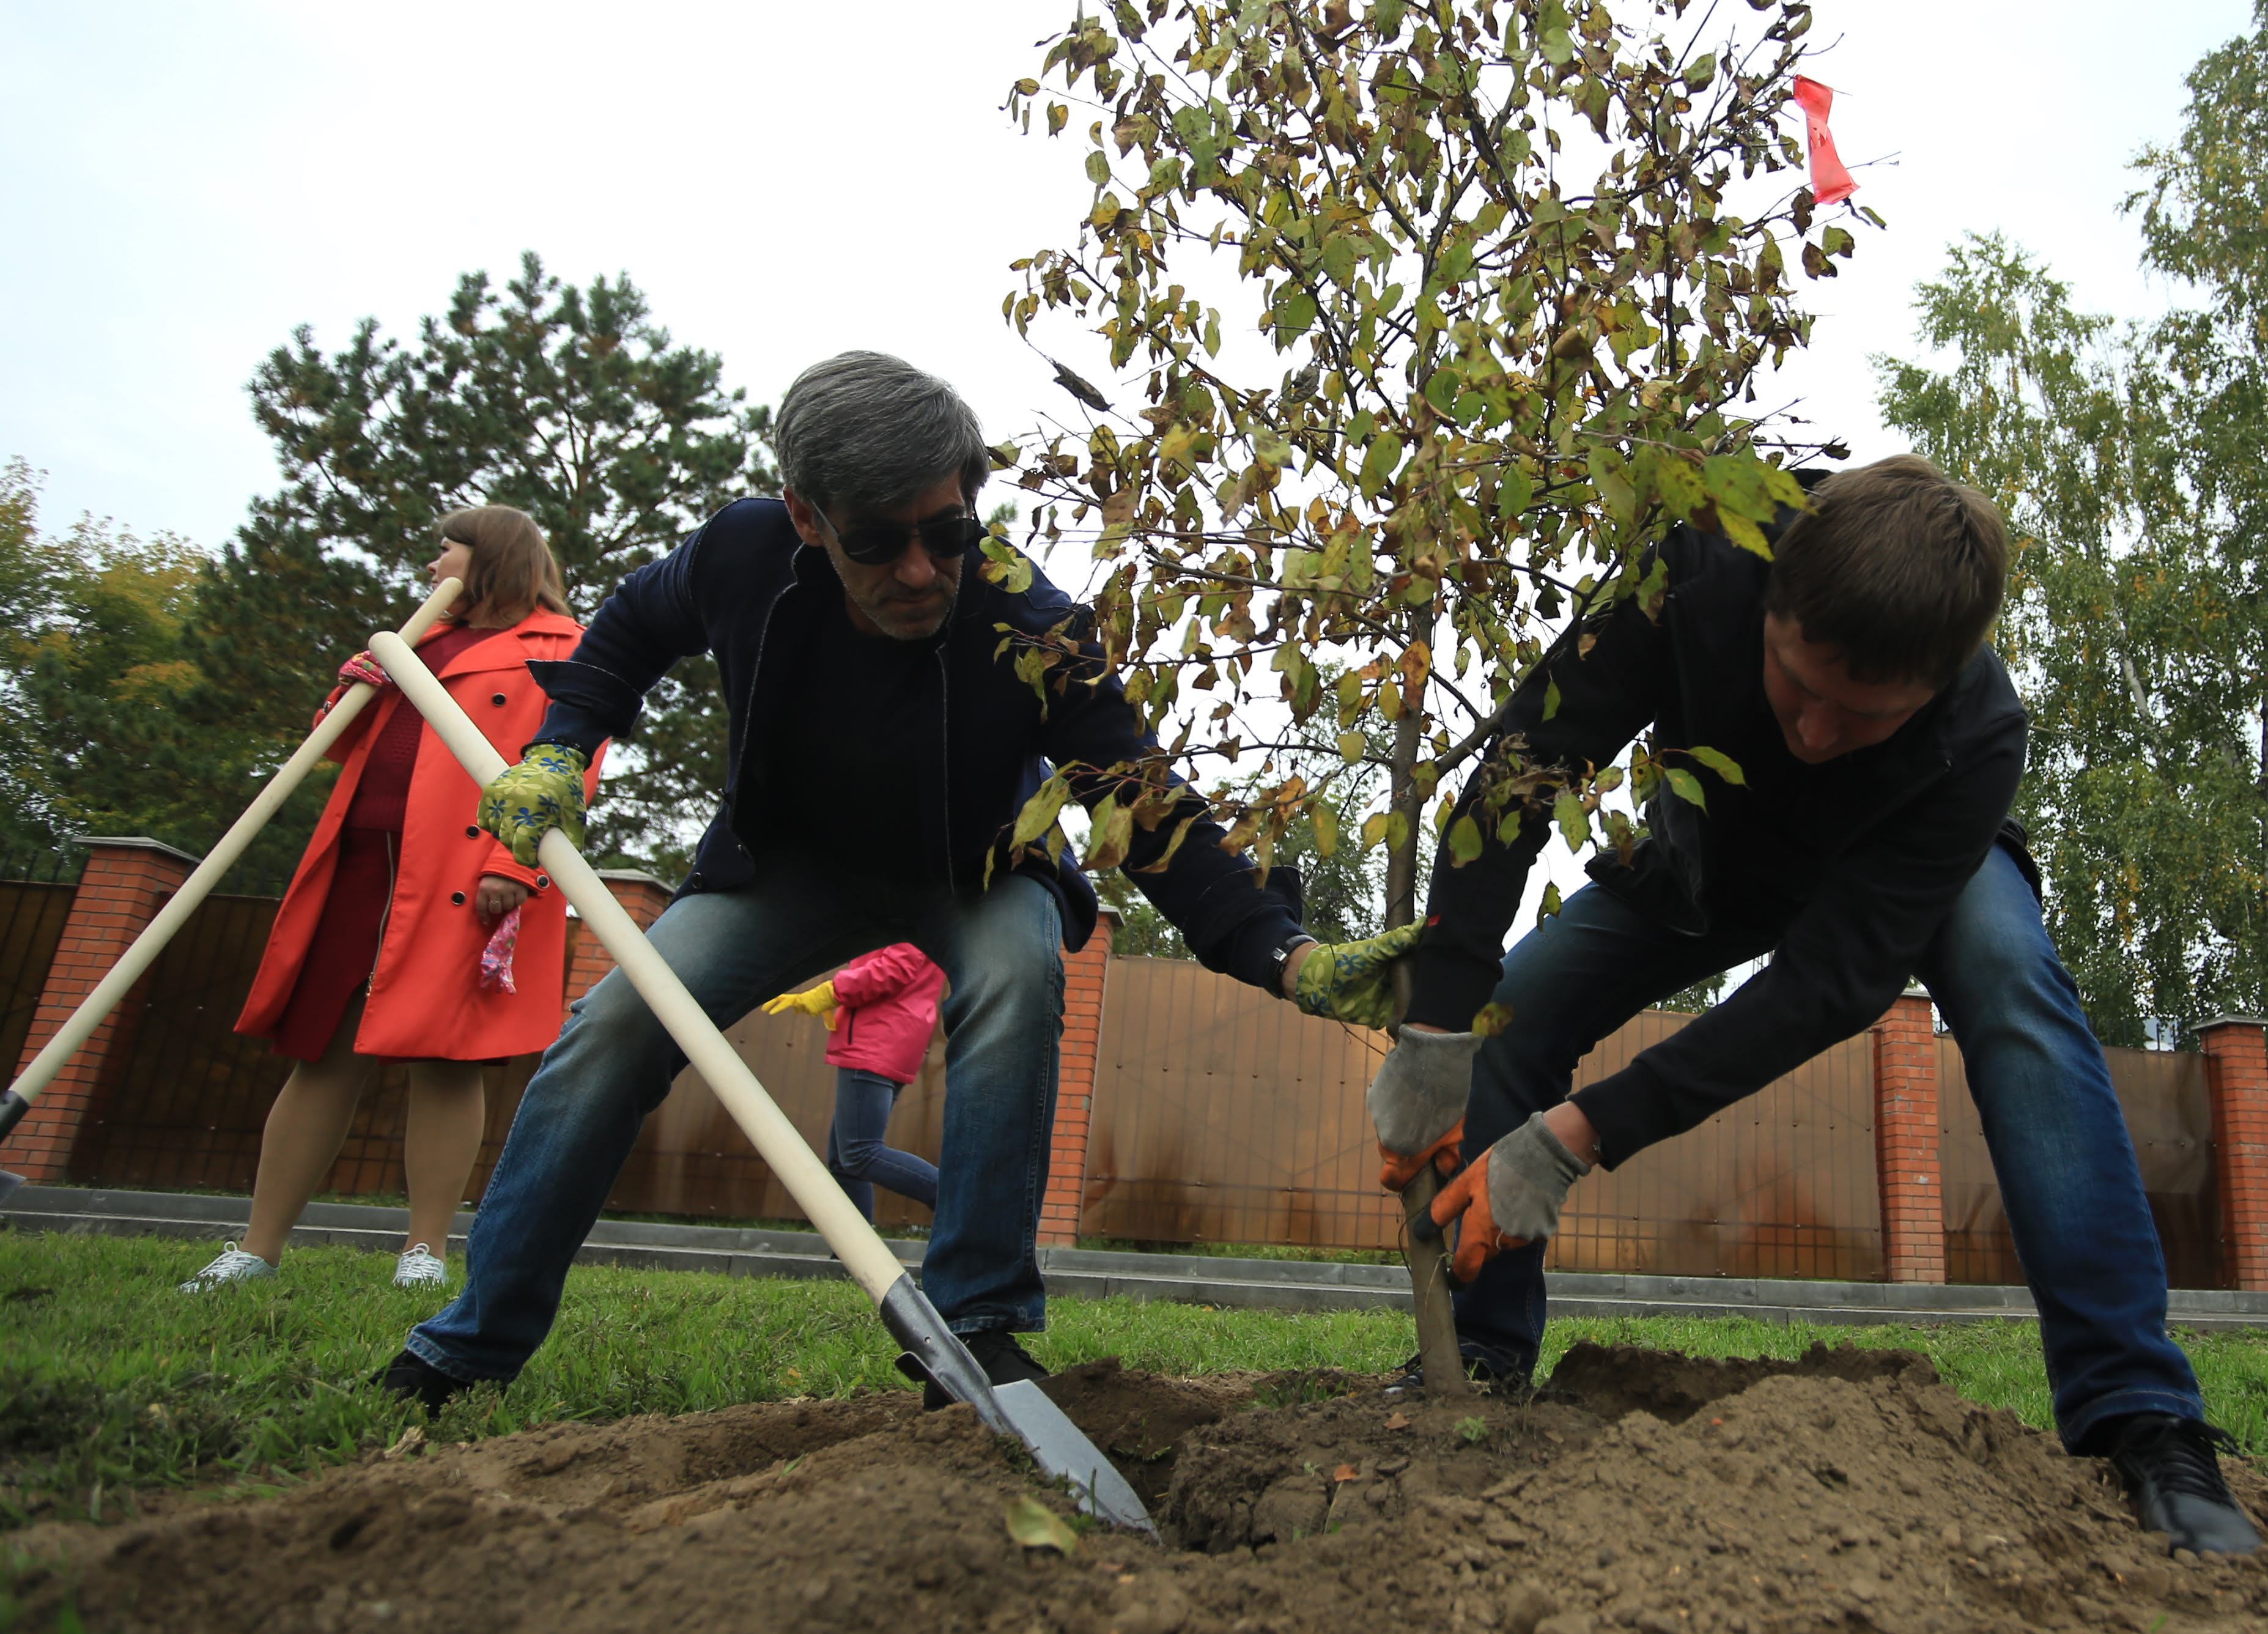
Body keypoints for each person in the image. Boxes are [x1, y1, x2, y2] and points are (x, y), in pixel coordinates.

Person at [380, 350, 1408, 1407]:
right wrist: (561, 747)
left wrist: (1283, 952)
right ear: (806, 517)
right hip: (785, 869)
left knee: (1017, 981)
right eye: (876, 541)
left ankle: (979, 1329)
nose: (920, 571)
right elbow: (630, 627)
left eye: (946, 532)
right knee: (612, 1031)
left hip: (976, 871)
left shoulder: (1028, 619)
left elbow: (1145, 810)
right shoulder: (742, 553)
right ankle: (471, 1343)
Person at [1368, 456, 2262, 1555]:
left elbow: (1829, 985)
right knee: (1517, 1009)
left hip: (1892, 873)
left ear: (1933, 686)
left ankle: (2140, 1410)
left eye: (1864, 716)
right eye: (1797, 685)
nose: (1817, 735)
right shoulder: (1698, 557)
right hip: (1711, 859)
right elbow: (1525, 763)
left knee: (2011, 980)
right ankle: (1483, 1353)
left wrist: (1582, 1133)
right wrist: (1440, 1015)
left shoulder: (1977, 731)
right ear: (1771, 599)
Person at [183, 506, 596, 1295]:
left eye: (446, 551)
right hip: (361, 866)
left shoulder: (561, 647)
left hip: (462, 874)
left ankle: (424, 1250)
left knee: (446, 1058)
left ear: (492, 560)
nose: (432, 567)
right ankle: (257, 1249)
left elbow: (569, 764)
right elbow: (337, 743)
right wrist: (350, 688)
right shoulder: (413, 641)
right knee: (321, 1050)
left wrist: (512, 863)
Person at [765, 943, 947, 1219]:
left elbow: (894, 969)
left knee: (860, 1153)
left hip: (876, 1039)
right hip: (886, 1037)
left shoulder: (911, 915)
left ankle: (963, 1204)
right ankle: (855, 1246)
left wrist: (831, 992)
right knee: (845, 1162)